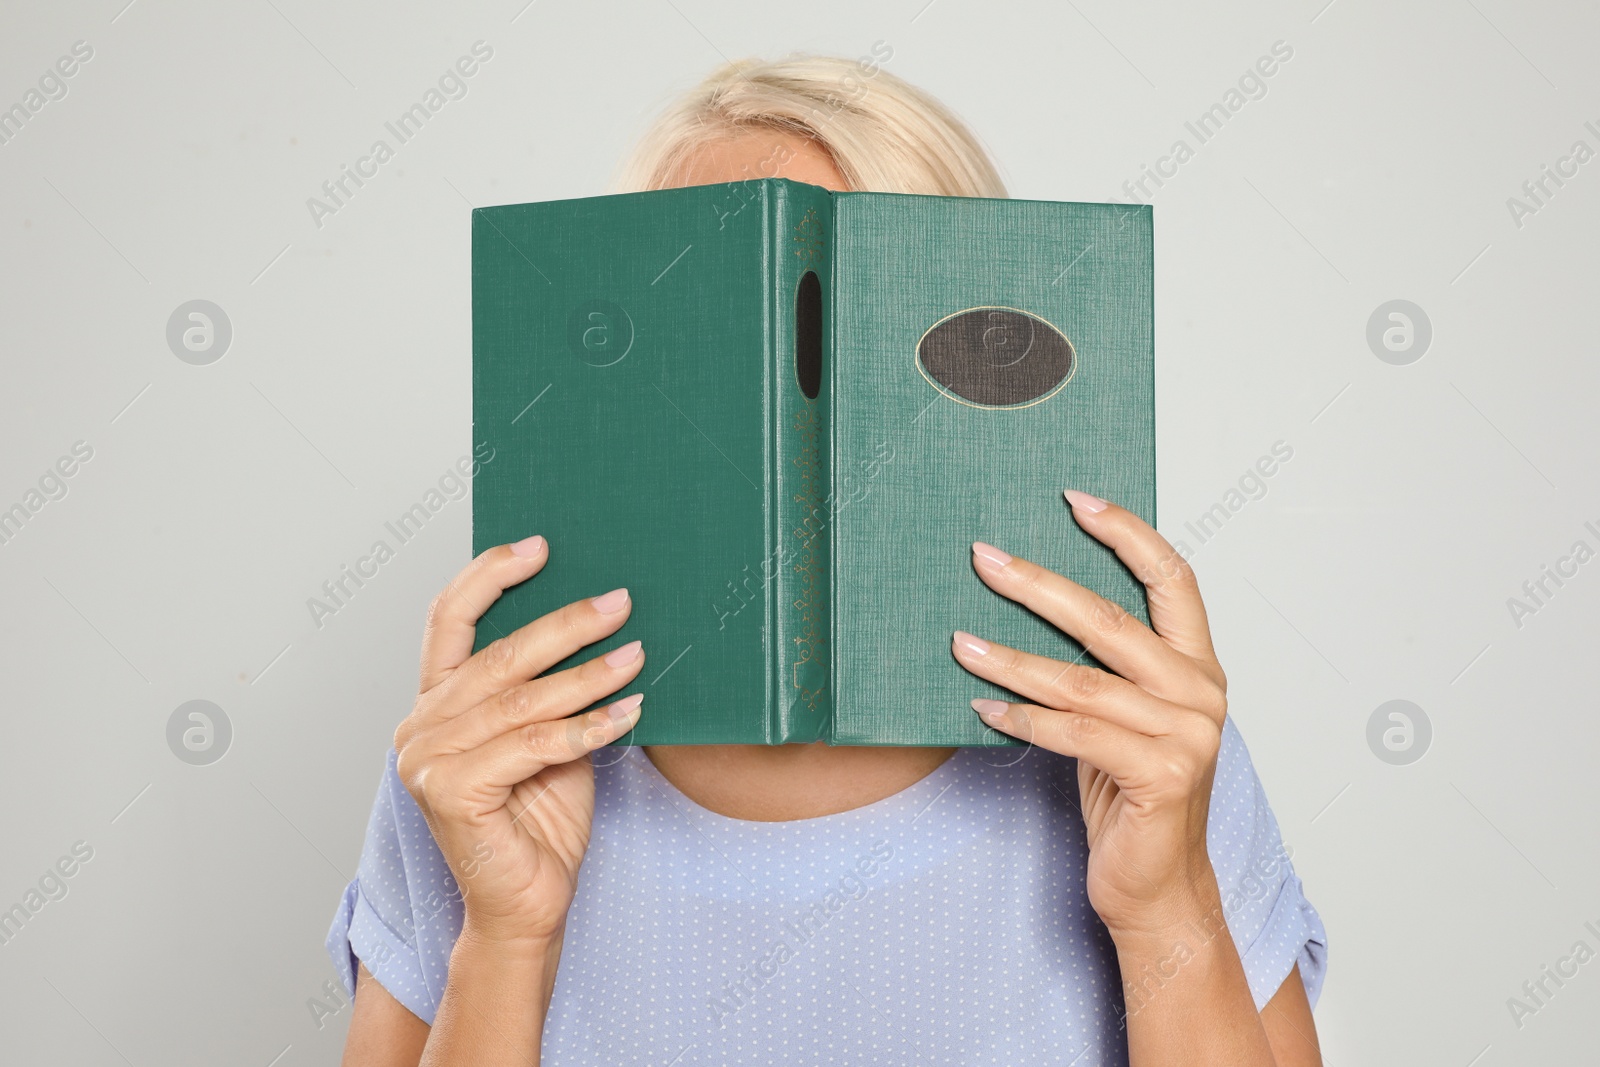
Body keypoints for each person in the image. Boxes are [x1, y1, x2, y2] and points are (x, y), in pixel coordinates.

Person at [327, 53, 1328, 1066]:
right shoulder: (478, 754)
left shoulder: (1143, 744)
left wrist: (1164, 909)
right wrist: (506, 939)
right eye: (708, 329)